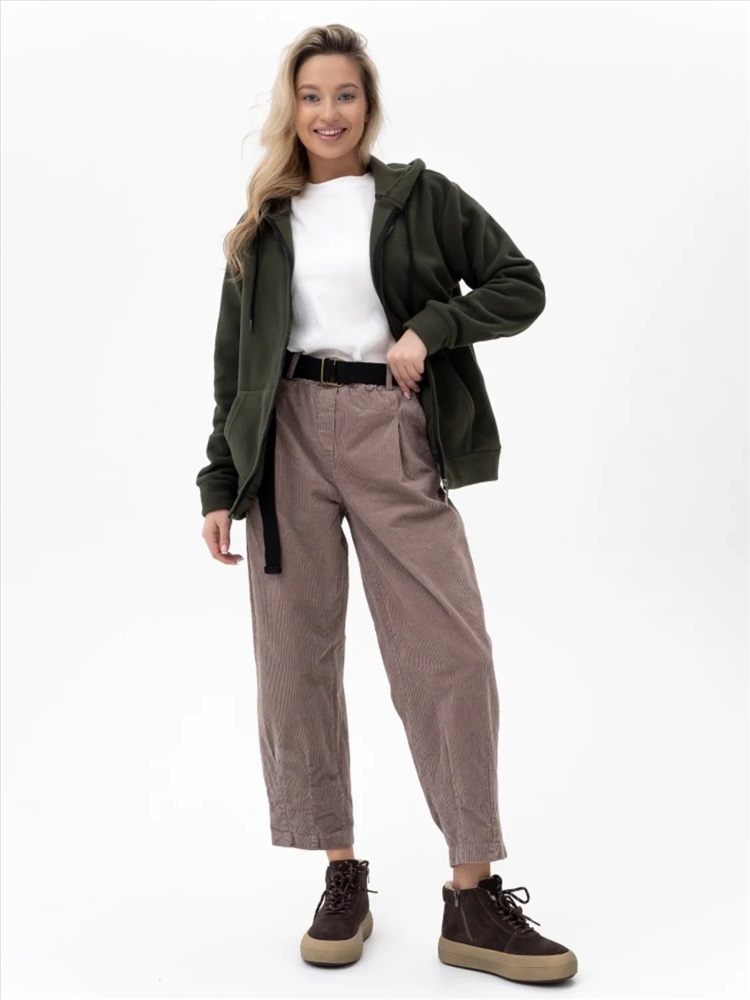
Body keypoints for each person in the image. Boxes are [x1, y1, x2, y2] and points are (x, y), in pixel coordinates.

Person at [196, 22, 577, 985]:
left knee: (451, 653)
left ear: (369, 104)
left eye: (345, 95)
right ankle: (341, 871)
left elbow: (520, 284)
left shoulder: (419, 196)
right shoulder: (264, 221)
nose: (328, 113)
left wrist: (433, 326)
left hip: (389, 425)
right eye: (311, 96)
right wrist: (219, 483)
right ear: (292, 108)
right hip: (283, 439)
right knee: (297, 660)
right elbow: (234, 368)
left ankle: (471, 894)